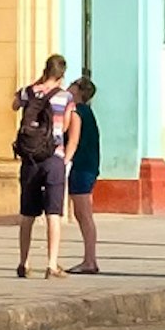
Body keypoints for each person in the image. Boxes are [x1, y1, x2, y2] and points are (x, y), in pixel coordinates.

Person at [13, 55, 73, 278]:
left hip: (30, 159)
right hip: (53, 157)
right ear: (62, 74)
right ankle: (51, 264)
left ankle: (23, 262)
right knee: (53, 214)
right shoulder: (65, 96)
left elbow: (14, 105)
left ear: (45, 70)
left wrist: (35, 88)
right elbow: (65, 125)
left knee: (27, 214)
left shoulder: (28, 92)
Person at [65, 78, 106, 273]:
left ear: (79, 91)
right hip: (88, 166)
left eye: (73, 84)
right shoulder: (86, 111)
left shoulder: (78, 112)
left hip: (81, 167)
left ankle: (90, 260)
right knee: (82, 213)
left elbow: (72, 142)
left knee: (84, 214)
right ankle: (89, 259)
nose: (68, 87)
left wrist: (64, 162)